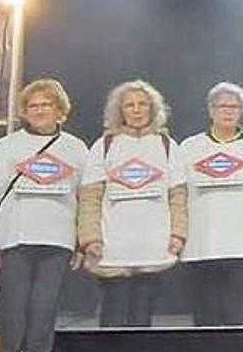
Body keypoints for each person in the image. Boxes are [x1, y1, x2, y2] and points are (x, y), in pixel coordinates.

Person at [0, 78, 89, 352]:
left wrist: (81, 241)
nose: (40, 110)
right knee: (13, 309)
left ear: (60, 110)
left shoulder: (76, 148)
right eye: (33, 105)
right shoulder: (7, 146)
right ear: (25, 111)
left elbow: (86, 197)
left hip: (58, 241)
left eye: (46, 105)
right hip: (14, 239)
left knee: (44, 309)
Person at [78, 80, 186, 328]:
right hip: (113, 247)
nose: (136, 110)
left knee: (142, 318)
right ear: (120, 110)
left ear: (152, 109)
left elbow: (178, 197)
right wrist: (90, 238)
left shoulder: (167, 146)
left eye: (142, 105)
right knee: (112, 317)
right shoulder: (104, 146)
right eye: (130, 105)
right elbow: (90, 198)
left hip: (153, 246)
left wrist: (178, 235)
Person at [179, 82, 243, 327]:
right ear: (211, 110)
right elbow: (177, 193)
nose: (228, 111)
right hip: (200, 244)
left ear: (242, 110)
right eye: (222, 106)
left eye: (234, 106)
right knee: (205, 311)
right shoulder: (189, 147)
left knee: (237, 312)